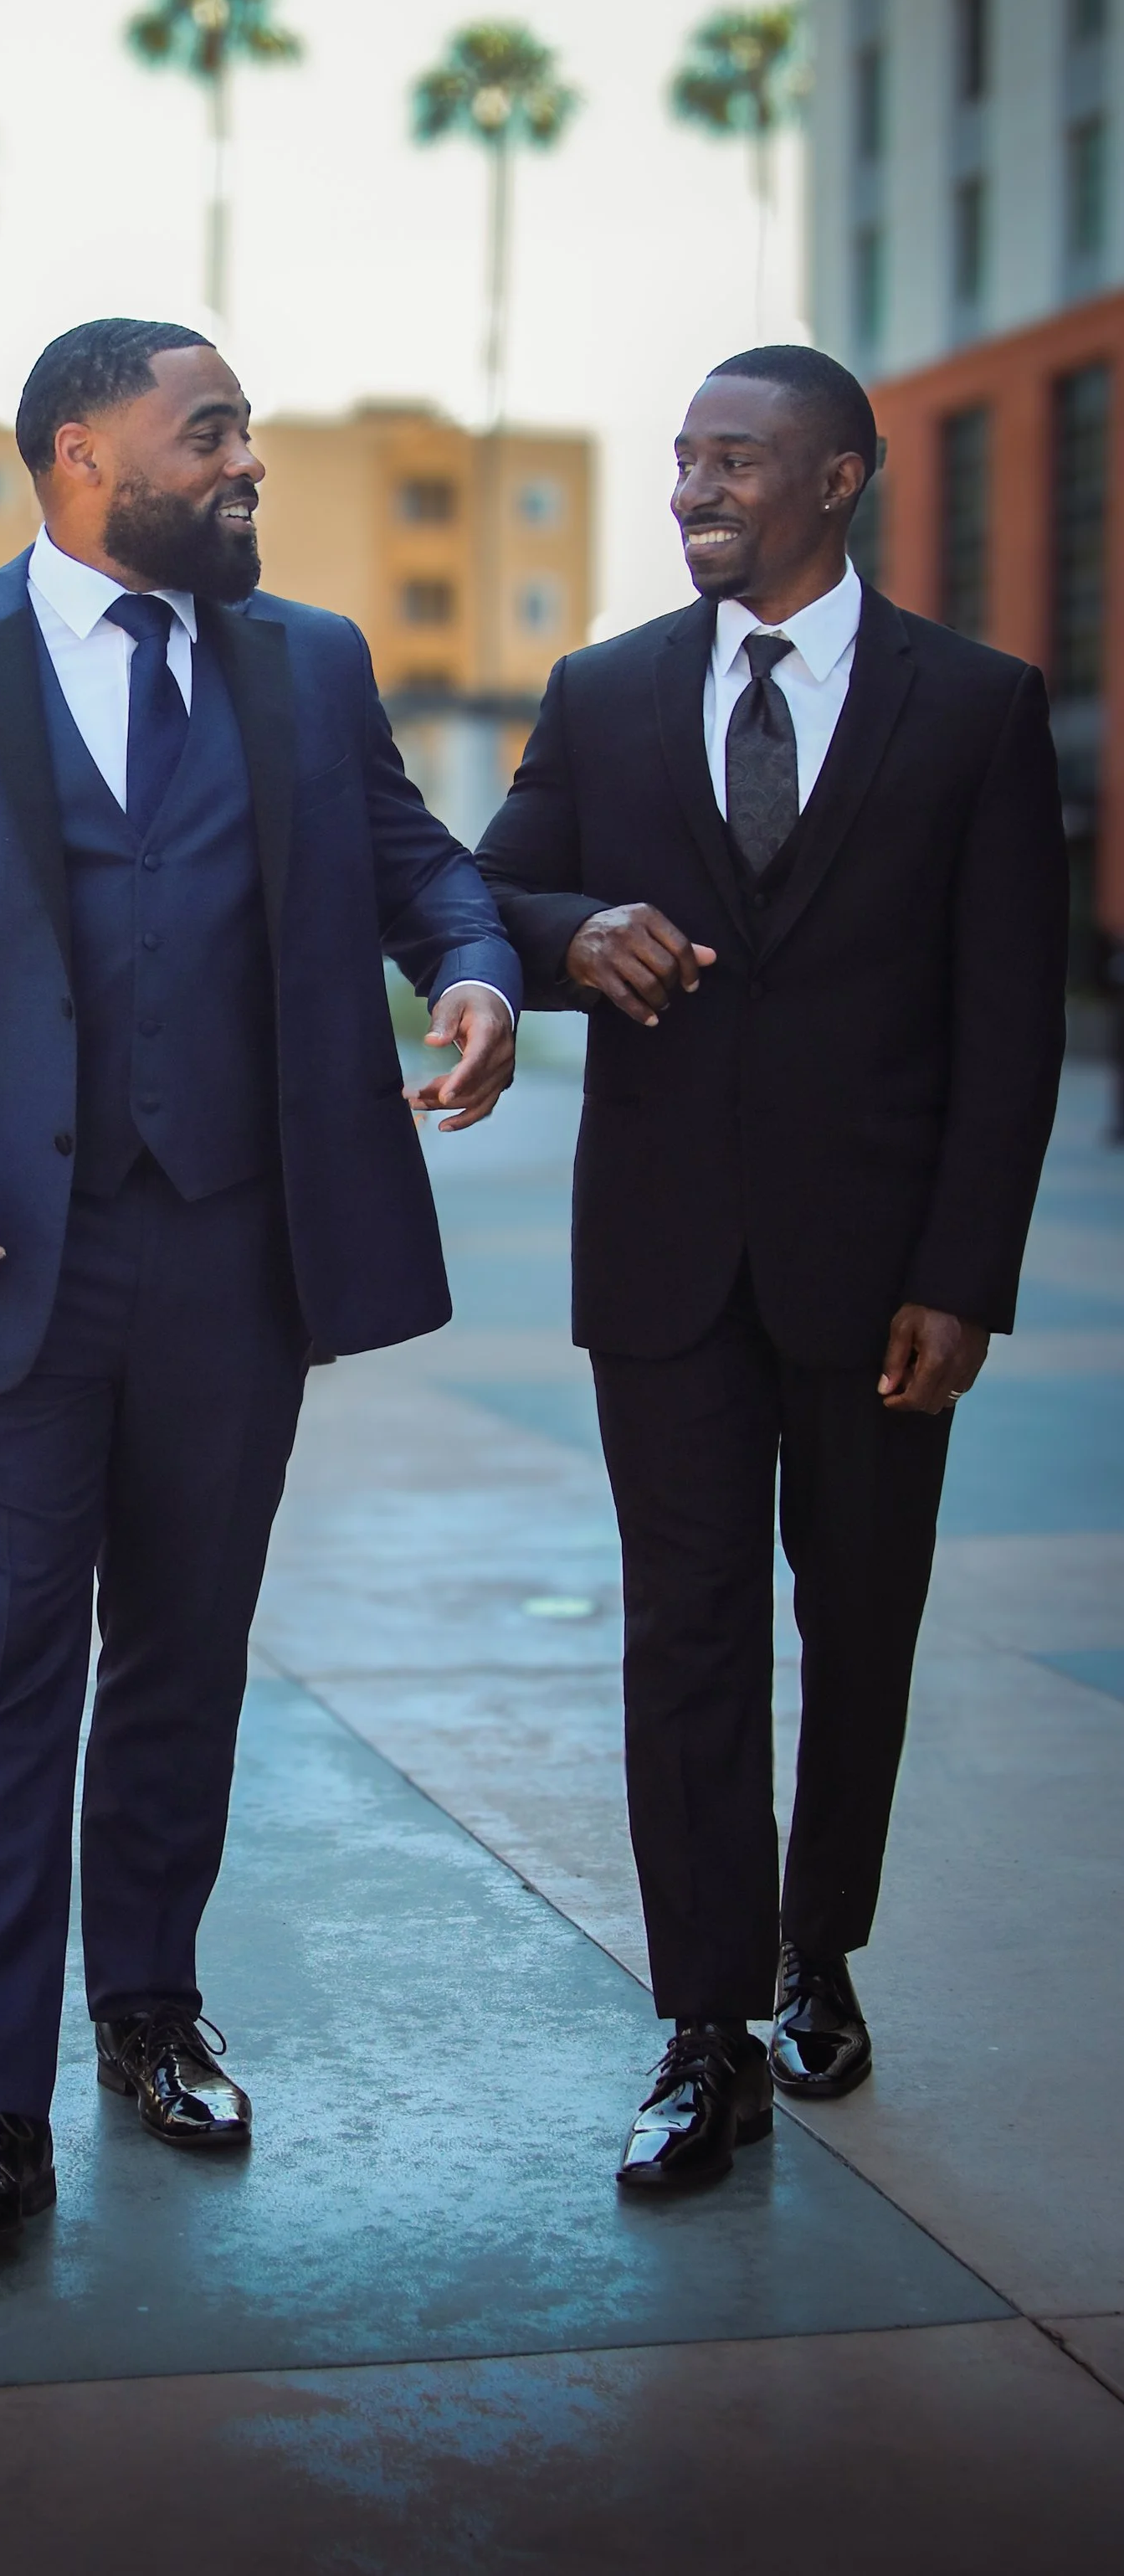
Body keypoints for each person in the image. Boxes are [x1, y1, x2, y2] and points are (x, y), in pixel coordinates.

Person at [0, 316, 521, 2249]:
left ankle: (149, 2013)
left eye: (246, 424)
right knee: (1, 1670)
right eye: (212, 431)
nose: (247, 459)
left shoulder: (309, 661)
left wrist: (476, 968)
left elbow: (418, 861)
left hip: (234, 1259)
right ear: (83, 455)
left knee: (179, 1654)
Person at [475, 342, 1066, 2193]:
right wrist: (575, 932)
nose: (691, 491)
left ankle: (822, 1955)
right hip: (658, 1264)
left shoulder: (973, 708)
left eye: (734, 460)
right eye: (679, 461)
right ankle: (702, 2022)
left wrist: (961, 1276)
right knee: (687, 1634)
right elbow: (478, 891)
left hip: (880, 1273)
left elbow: (1006, 1024)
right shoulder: (603, 692)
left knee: (859, 1624)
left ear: (840, 477)